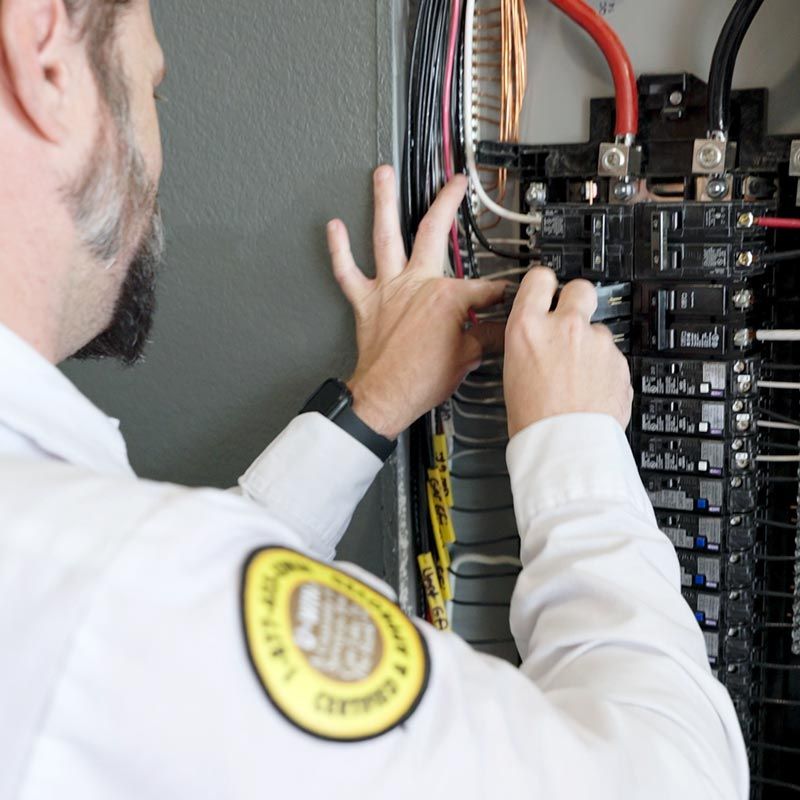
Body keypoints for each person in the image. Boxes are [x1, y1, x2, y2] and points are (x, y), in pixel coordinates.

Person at [0, 1, 748, 799]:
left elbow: (179, 622)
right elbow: (678, 778)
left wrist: (370, 406)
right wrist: (575, 455)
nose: (157, 151)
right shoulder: (112, 592)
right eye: (154, 89)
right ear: (46, 60)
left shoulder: (75, 569)